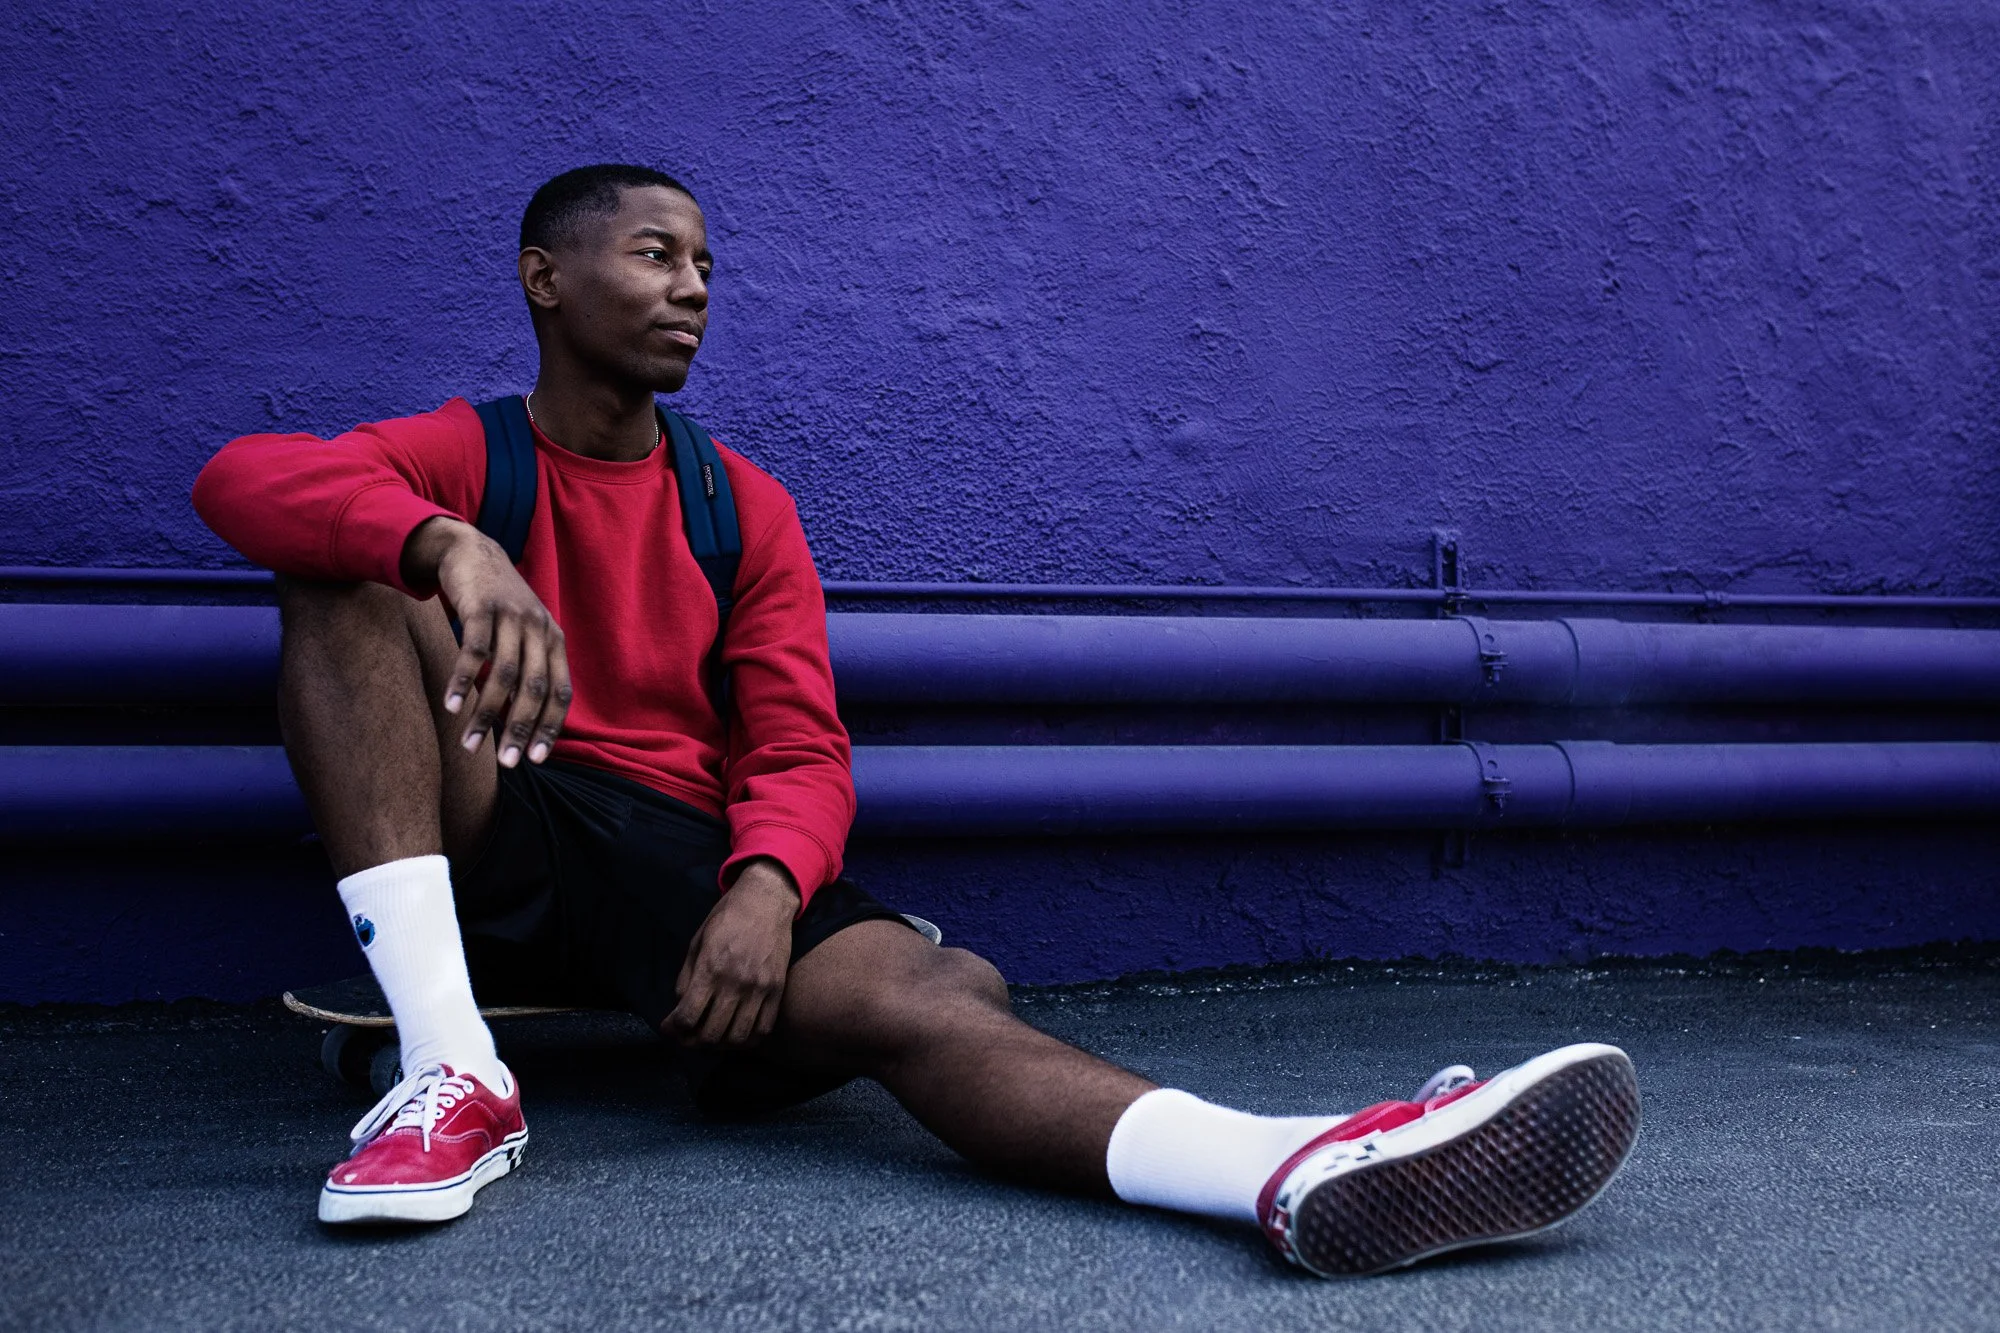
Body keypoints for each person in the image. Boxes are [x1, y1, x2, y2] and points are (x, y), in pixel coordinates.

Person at [191, 163, 1639, 1276]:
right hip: (497, 814)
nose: (692, 287)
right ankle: (452, 1072)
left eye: (705, 264)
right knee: (341, 580)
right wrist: (446, 543)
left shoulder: (735, 503)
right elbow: (243, 479)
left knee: (944, 992)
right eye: (652, 255)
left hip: (675, 867)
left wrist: (765, 890)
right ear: (544, 280)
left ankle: (1290, 1165)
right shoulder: (468, 452)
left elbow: (801, 747)